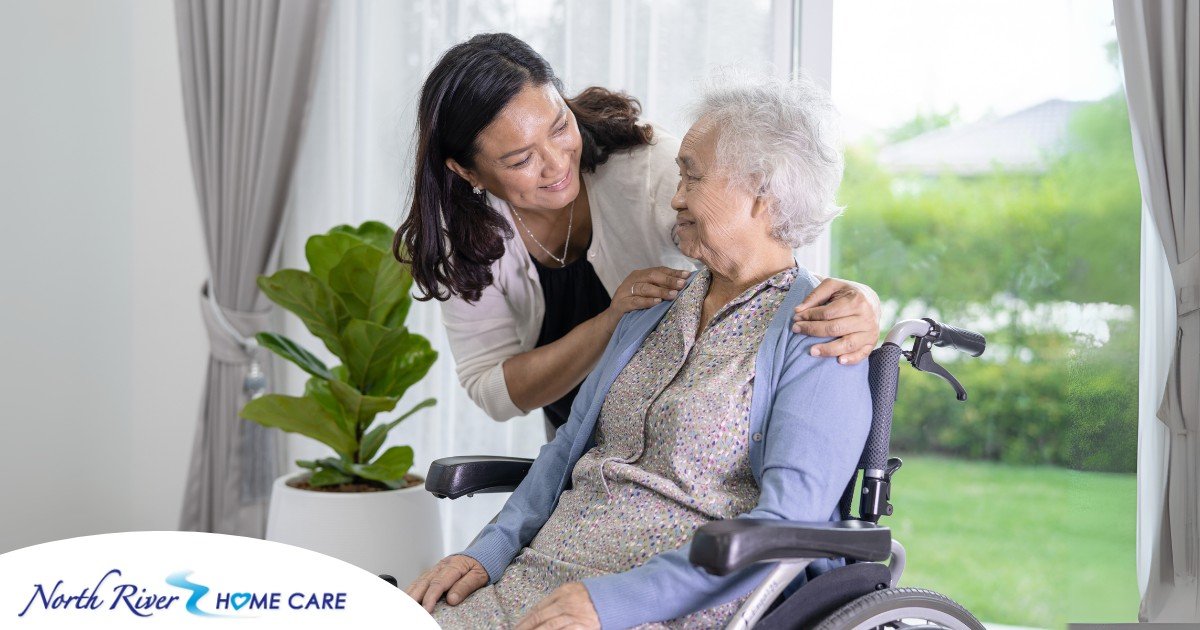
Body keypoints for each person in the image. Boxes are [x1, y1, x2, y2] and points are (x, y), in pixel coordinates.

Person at [407, 73, 873, 629]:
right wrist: (485, 552)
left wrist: (613, 603)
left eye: (692, 177)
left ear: (762, 192)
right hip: (544, 576)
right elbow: (562, 454)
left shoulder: (818, 336)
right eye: (679, 174)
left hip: (672, 601)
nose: (675, 195)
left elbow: (786, 523)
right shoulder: (652, 305)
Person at [392, 33, 881, 438]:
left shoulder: (650, 171)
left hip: (677, 437)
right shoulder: (462, 238)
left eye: (560, 126)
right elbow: (494, 390)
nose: (557, 162)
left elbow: (770, 248)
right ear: (467, 172)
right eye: (520, 160)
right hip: (584, 449)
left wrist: (860, 300)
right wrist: (611, 322)